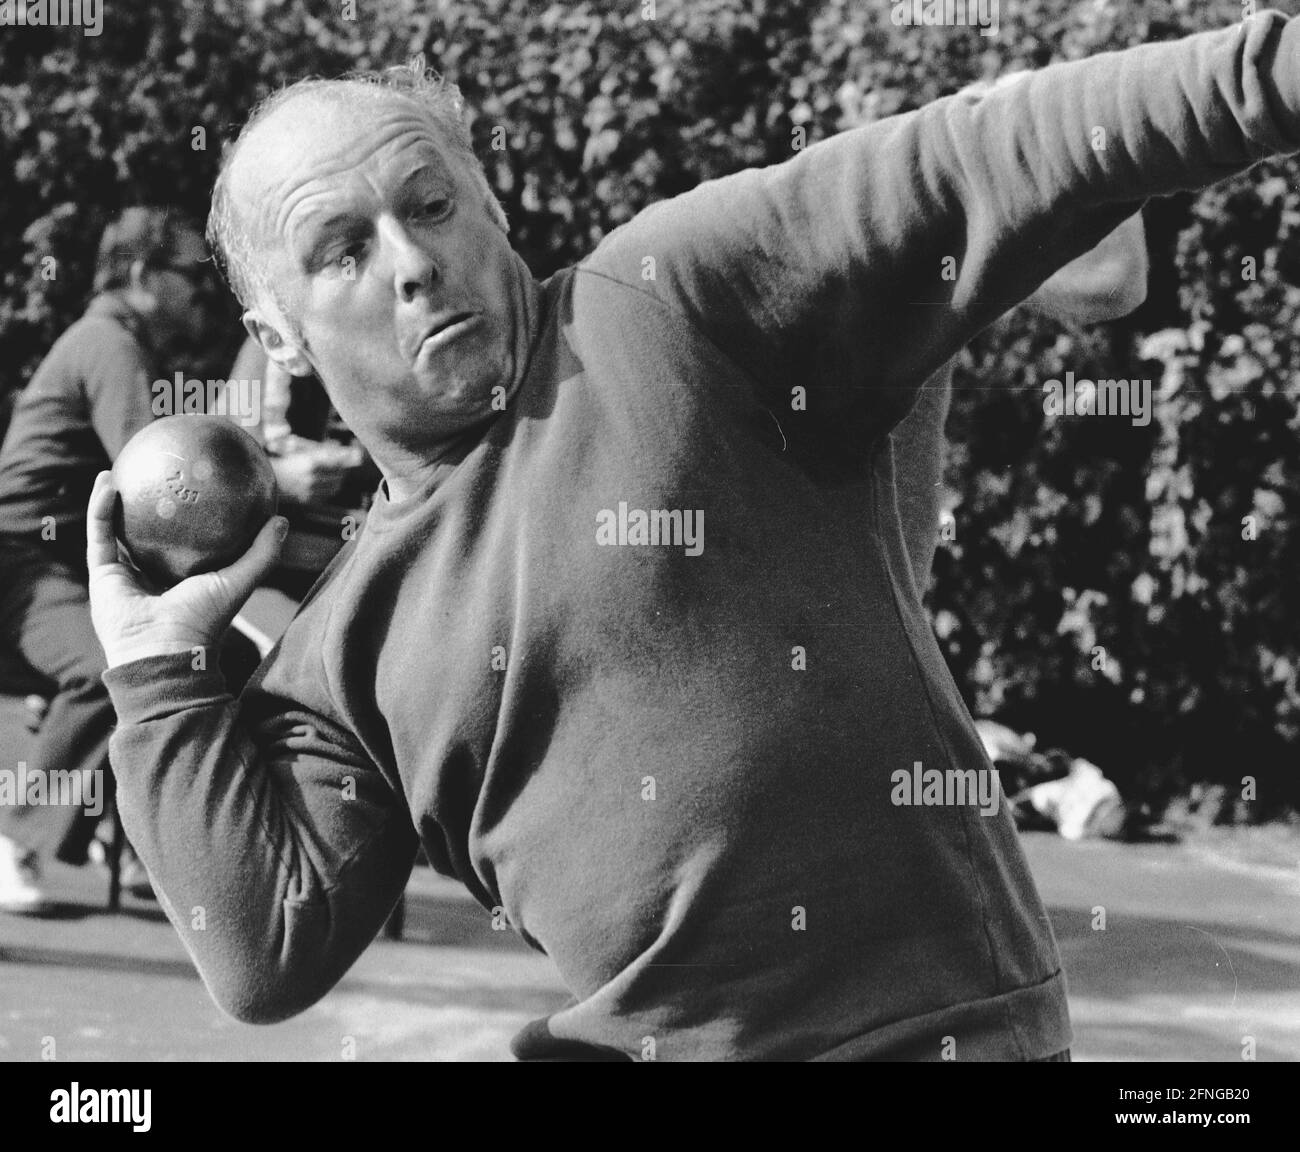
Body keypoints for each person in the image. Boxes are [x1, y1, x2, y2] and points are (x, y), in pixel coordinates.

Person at [86, 13, 1300, 1059]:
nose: (410, 263)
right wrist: (157, 674)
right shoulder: (342, 649)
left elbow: (973, 147)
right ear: (278, 334)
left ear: (490, 201)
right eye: (341, 250)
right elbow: (259, 954)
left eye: (431, 203)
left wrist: (1269, 68)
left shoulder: (658, 299)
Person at [0, 208, 211, 912]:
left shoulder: (118, 343)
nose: (199, 292)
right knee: (108, 667)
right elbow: (150, 476)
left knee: (172, 656)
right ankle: (14, 842)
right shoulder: (109, 345)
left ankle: (115, 843)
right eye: (189, 275)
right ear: (144, 276)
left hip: (53, 562)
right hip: (22, 564)